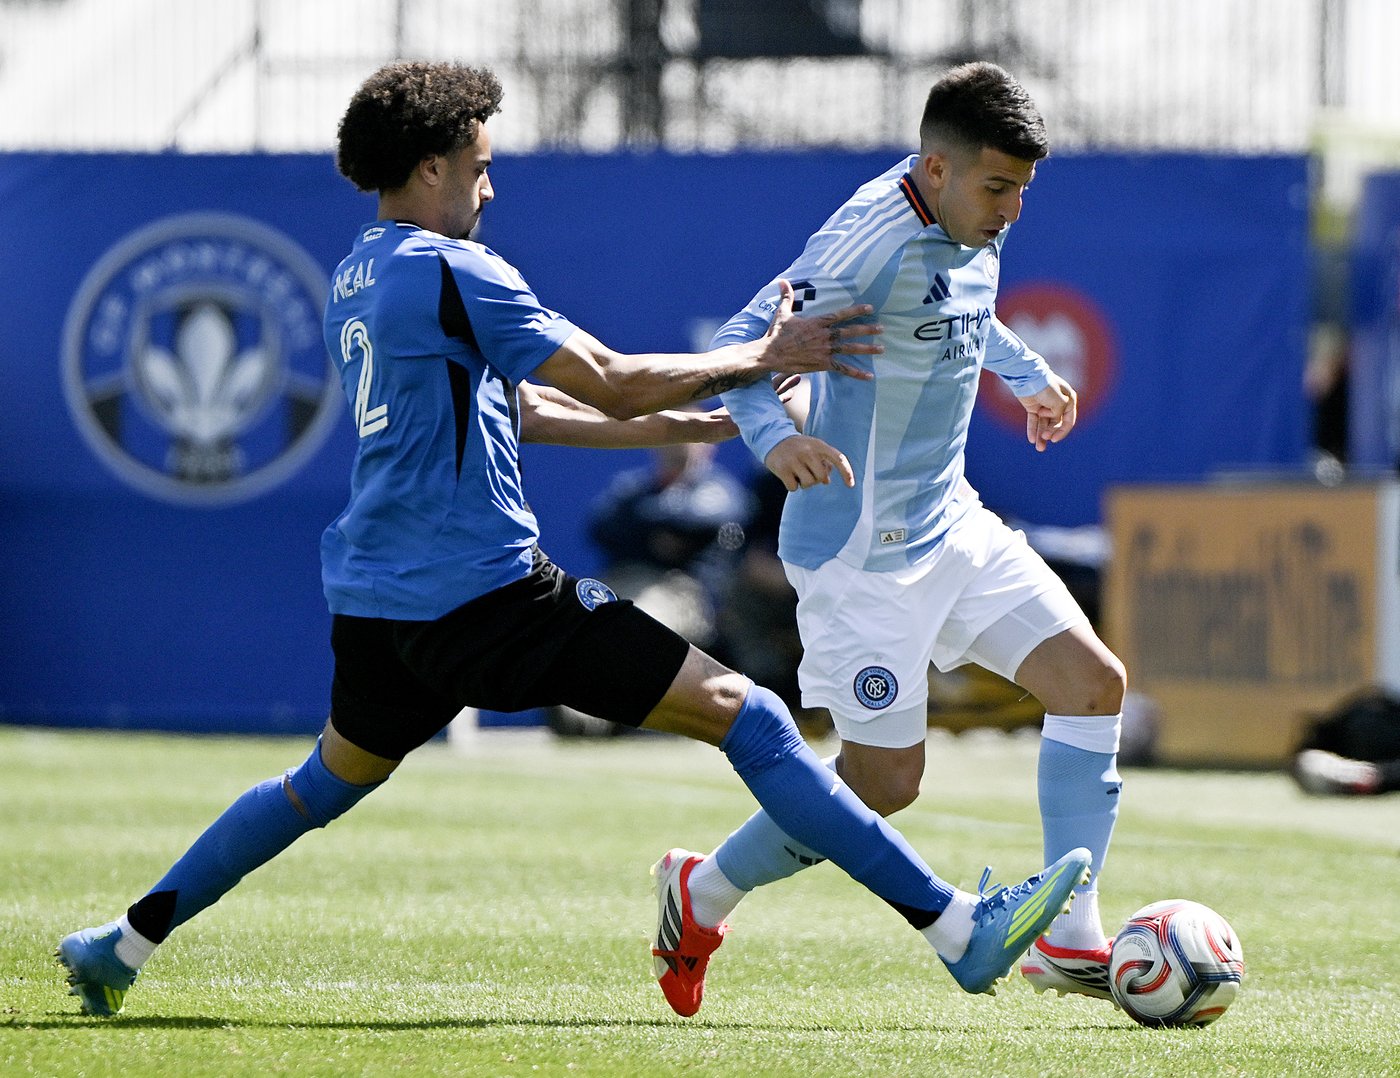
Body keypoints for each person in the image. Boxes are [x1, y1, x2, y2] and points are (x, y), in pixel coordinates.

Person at [55, 60, 1089, 1019]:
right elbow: (604, 374)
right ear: (431, 167)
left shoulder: (360, 275)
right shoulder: (454, 269)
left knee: (320, 783)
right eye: (479, 165)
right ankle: (957, 928)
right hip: (487, 590)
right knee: (750, 715)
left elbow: (531, 414)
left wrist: (688, 423)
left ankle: (124, 942)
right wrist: (755, 359)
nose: (488, 188)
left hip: (377, 598)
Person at [653, 61, 1127, 1015]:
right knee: (882, 786)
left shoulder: (970, 222)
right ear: (937, 168)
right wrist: (779, 437)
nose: (1011, 211)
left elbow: (967, 313)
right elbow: (748, 345)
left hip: (954, 524)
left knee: (1093, 684)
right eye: (998, 188)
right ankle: (699, 892)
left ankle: (1071, 936)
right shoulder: (865, 240)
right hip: (860, 557)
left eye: (1025, 191)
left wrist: (1028, 373)